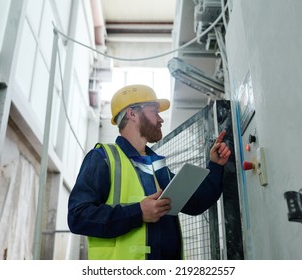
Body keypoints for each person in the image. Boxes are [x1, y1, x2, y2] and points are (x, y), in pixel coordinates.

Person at [67, 84, 231, 260]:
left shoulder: (157, 165)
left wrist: (215, 165)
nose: (161, 119)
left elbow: (196, 202)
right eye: (154, 111)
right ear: (132, 114)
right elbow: (78, 217)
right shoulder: (103, 158)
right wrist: (138, 213)